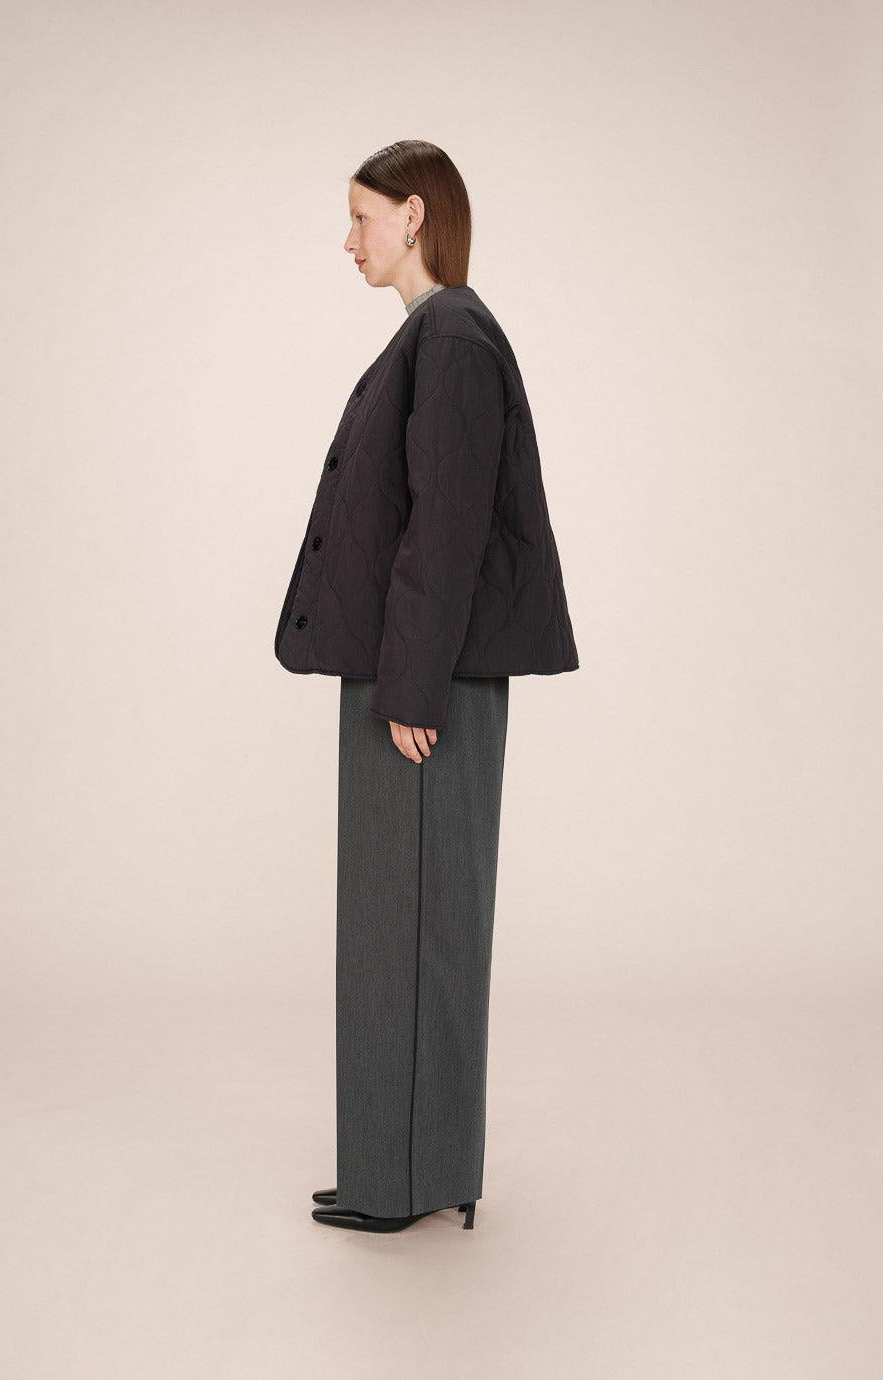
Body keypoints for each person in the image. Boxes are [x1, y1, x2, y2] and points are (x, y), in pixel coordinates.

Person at [274, 140, 579, 1233]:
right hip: (420, 670)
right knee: (412, 925)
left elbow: (444, 527)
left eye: (361, 217)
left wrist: (411, 690)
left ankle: (403, 1180)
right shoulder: (444, 334)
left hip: (420, 683)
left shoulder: (448, 336)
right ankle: (413, 1169)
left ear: (413, 216)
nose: (347, 240)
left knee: (409, 928)